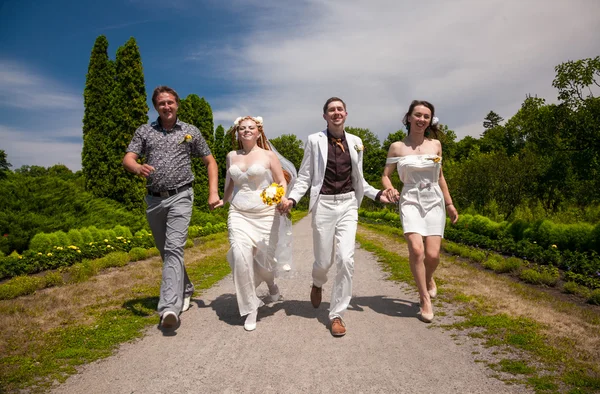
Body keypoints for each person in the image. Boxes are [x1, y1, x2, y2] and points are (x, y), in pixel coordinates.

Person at [280, 97, 392, 337]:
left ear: (346, 113)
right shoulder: (314, 140)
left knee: (345, 259)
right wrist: (292, 198)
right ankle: (318, 282)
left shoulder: (356, 142)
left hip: (348, 204)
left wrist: (377, 194)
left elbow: (359, 179)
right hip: (324, 205)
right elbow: (305, 176)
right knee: (323, 261)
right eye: (331, 110)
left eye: (339, 109)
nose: (336, 112)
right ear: (325, 116)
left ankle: (337, 314)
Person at [123, 85, 221, 331]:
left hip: (181, 195)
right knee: (166, 251)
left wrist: (213, 192)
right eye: (161, 103)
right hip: (154, 199)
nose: (166, 106)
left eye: (170, 102)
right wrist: (137, 168)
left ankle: (169, 307)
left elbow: (210, 161)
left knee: (174, 247)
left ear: (177, 104)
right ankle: (186, 287)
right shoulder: (145, 131)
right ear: (155, 106)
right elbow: (128, 158)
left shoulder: (190, 131)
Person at [381, 100, 459, 323]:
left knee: (432, 256)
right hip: (410, 199)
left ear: (429, 120)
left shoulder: (435, 145)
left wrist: (450, 204)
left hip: (434, 199)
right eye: (417, 115)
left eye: (426, 116)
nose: (421, 119)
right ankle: (424, 298)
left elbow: (440, 176)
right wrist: (390, 188)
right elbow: (386, 174)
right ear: (408, 118)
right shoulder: (397, 147)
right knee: (417, 251)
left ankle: (429, 278)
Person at [222, 116, 296, 332]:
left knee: (265, 263)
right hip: (238, 212)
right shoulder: (231, 156)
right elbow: (229, 185)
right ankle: (250, 307)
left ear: (258, 132)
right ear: (238, 132)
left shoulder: (268, 155)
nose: (246, 131)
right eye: (242, 128)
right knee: (240, 256)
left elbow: (281, 180)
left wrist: (281, 196)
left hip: (265, 213)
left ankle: (272, 285)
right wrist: (221, 200)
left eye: (250, 128)